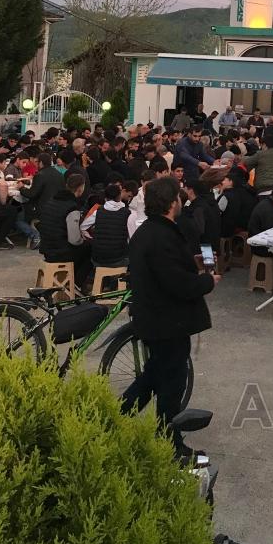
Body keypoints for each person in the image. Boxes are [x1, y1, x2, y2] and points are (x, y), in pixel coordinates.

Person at [121, 176, 219, 452]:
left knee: (154, 375)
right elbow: (177, 283)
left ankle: (115, 417)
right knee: (170, 385)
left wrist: (193, 262)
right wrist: (207, 282)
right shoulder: (162, 235)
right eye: (178, 197)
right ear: (171, 202)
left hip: (158, 320)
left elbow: (168, 269)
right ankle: (170, 442)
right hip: (166, 323)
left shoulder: (150, 231)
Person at [38, 173, 92, 288]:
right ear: (80, 188)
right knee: (91, 249)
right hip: (60, 252)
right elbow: (74, 240)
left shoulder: (51, 201)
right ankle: (75, 284)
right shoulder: (72, 208)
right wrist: (84, 240)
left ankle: (71, 282)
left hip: (47, 248)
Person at [83, 181, 131, 268]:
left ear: (105, 198)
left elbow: (83, 227)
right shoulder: (127, 213)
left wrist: (92, 239)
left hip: (98, 259)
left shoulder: (98, 211)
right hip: (119, 259)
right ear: (119, 196)